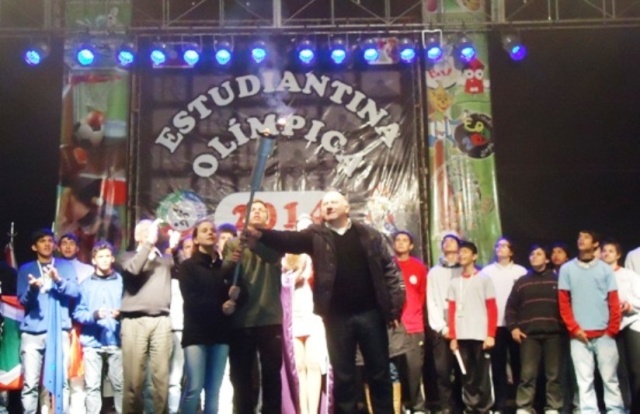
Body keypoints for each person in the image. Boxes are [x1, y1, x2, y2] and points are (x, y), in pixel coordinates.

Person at [242, 190, 405, 414]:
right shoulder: (316, 235)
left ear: (346, 207)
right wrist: (262, 235)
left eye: (334, 202)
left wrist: (395, 307)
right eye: (325, 203)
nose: (328, 206)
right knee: (343, 377)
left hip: (371, 314)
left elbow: (390, 270)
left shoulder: (368, 234)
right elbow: (289, 239)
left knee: (379, 373)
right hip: (337, 317)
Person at [223, 201, 284, 414]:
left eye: (261, 210)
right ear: (245, 217)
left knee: (271, 376)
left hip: (270, 318)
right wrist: (231, 262)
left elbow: (274, 257)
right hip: (242, 319)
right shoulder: (233, 244)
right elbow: (224, 274)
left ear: (267, 218)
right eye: (253, 210)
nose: (257, 212)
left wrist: (254, 244)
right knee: (241, 377)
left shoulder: (275, 241)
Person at [179, 220, 244, 413]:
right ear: (196, 238)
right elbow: (192, 299)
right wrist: (221, 306)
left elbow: (238, 294)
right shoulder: (188, 267)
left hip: (220, 334)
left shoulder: (225, 267)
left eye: (212, 230)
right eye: (204, 230)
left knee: (213, 391)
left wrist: (236, 297)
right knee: (194, 387)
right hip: (196, 334)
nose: (210, 233)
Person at [558, 230, 624, 413]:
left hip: (604, 334)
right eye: (579, 237)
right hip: (579, 336)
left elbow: (613, 301)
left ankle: (615, 409)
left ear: (595, 244)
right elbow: (564, 302)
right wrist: (574, 329)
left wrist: (611, 330)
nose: (581, 240)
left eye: (586, 237)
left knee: (610, 379)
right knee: (584, 380)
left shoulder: (605, 269)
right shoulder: (567, 269)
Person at [118, 219, 180, 413]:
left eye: (153, 231)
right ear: (137, 236)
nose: (151, 234)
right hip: (134, 321)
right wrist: (148, 244)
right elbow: (134, 269)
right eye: (145, 231)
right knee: (134, 382)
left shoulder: (165, 259)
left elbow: (183, 268)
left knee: (161, 380)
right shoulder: (126, 257)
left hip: (161, 321)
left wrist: (174, 248)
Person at [17, 228, 79, 414]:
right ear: (34, 247)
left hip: (58, 332)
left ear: (54, 245)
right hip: (32, 334)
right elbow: (23, 301)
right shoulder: (26, 269)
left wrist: (58, 280)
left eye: (50, 240)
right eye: (42, 241)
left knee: (60, 381)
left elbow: (74, 292)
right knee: (30, 383)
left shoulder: (65, 267)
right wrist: (33, 289)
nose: (47, 244)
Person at [505, 245, 565, 414]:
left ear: (547, 259)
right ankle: (524, 406)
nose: (534, 256)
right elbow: (511, 308)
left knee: (554, 374)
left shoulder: (558, 280)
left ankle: (553, 407)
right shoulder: (522, 281)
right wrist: (513, 328)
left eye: (538, 254)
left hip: (554, 333)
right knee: (527, 374)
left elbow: (566, 305)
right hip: (528, 335)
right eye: (532, 254)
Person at [282, 214, 327, 414]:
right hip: (294, 316)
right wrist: (298, 270)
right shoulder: (287, 257)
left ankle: (314, 410)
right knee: (299, 366)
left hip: (314, 315)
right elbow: (286, 283)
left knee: (314, 364)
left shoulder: (322, 257)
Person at [74, 241, 124, 414]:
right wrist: (93, 315)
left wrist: (121, 314)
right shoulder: (85, 285)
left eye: (107, 256)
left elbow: (131, 306)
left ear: (112, 259)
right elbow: (78, 313)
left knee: (120, 385)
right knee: (92, 386)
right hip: (92, 342)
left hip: (116, 341)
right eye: (100, 256)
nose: (104, 260)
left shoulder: (121, 282)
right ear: (93, 260)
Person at [448, 240, 497, 414]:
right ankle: (470, 408)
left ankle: (485, 408)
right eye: (460, 252)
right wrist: (453, 337)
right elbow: (452, 311)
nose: (461, 255)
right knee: (466, 375)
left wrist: (491, 334)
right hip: (462, 335)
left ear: (474, 256)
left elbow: (492, 308)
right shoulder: (455, 282)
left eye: (465, 252)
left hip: (480, 335)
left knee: (482, 375)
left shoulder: (484, 279)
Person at [481, 236, 526, 414]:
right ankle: (500, 404)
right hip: (495, 325)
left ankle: (522, 403)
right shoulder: (487, 272)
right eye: (498, 246)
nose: (500, 248)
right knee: (498, 366)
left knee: (519, 364)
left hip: (516, 325)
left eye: (504, 246)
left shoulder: (521, 271)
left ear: (511, 251)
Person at [601, 239, 640, 412]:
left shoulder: (629, 275)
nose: (607, 253)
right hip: (609, 326)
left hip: (631, 323)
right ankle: (624, 406)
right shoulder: (598, 277)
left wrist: (629, 305)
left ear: (618, 255)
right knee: (618, 370)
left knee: (636, 369)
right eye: (604, 251)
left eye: (611, 251)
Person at [58, 232, 94, 414]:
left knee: (78, 376)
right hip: (58, 326)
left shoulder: (87, 270)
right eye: (64, 243)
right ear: (58, 247)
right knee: (58, 374)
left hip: (81, 327)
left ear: (78, 248)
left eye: (71, 243)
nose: (67, 246)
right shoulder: (51, 267)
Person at [426, 233, 462, 414]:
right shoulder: (434, 272)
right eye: (445, 241)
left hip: (464, 328)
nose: (448, 243)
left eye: (452, 240)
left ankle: (465, 404)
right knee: (443, 371)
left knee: (465, 369)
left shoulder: (465, 269)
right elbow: (431, 300)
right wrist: (442, 327)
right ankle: (446, 406)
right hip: (442, 328)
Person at [392, 230, 427, 414]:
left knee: (414, 369)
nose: (400, 243)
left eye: (405, 240)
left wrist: (412, 314)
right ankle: (399, 405)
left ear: (411, 245)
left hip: (413, 326)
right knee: (395, 370)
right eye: (397, 240)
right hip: (393, 327)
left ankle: (417, 406)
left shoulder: (419, 267)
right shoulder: (388, 265)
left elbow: (422, 295)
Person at [168, 236, 193, 414]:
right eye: (187, 247)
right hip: (176, 327)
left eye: (193, 246)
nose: (190, 250)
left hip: (196, 329)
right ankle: (173, 410)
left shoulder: (204, 272)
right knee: (174, 377)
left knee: (193, 379)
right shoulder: (173, 273)